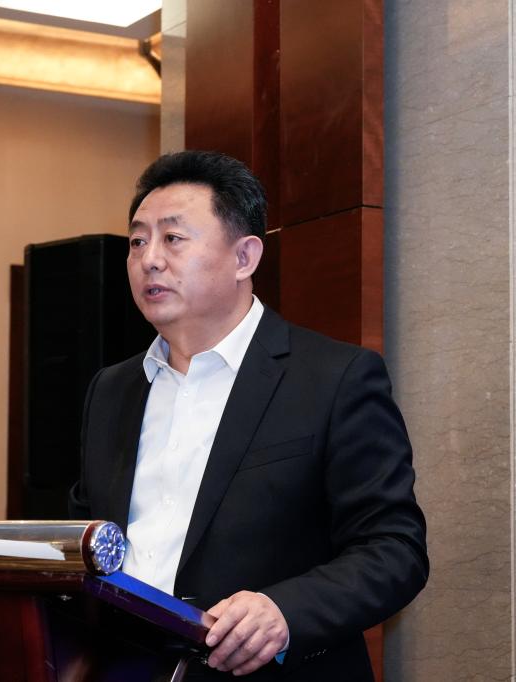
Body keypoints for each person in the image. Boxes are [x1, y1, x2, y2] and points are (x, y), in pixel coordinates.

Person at [69, 150, 428, 680]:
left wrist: (285, 612)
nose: (150, 260)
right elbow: (85, 541)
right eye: (138, 241)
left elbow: (394, 549)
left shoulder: (334, 379)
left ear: (244, 257)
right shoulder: (111, 390)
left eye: (173, 238)